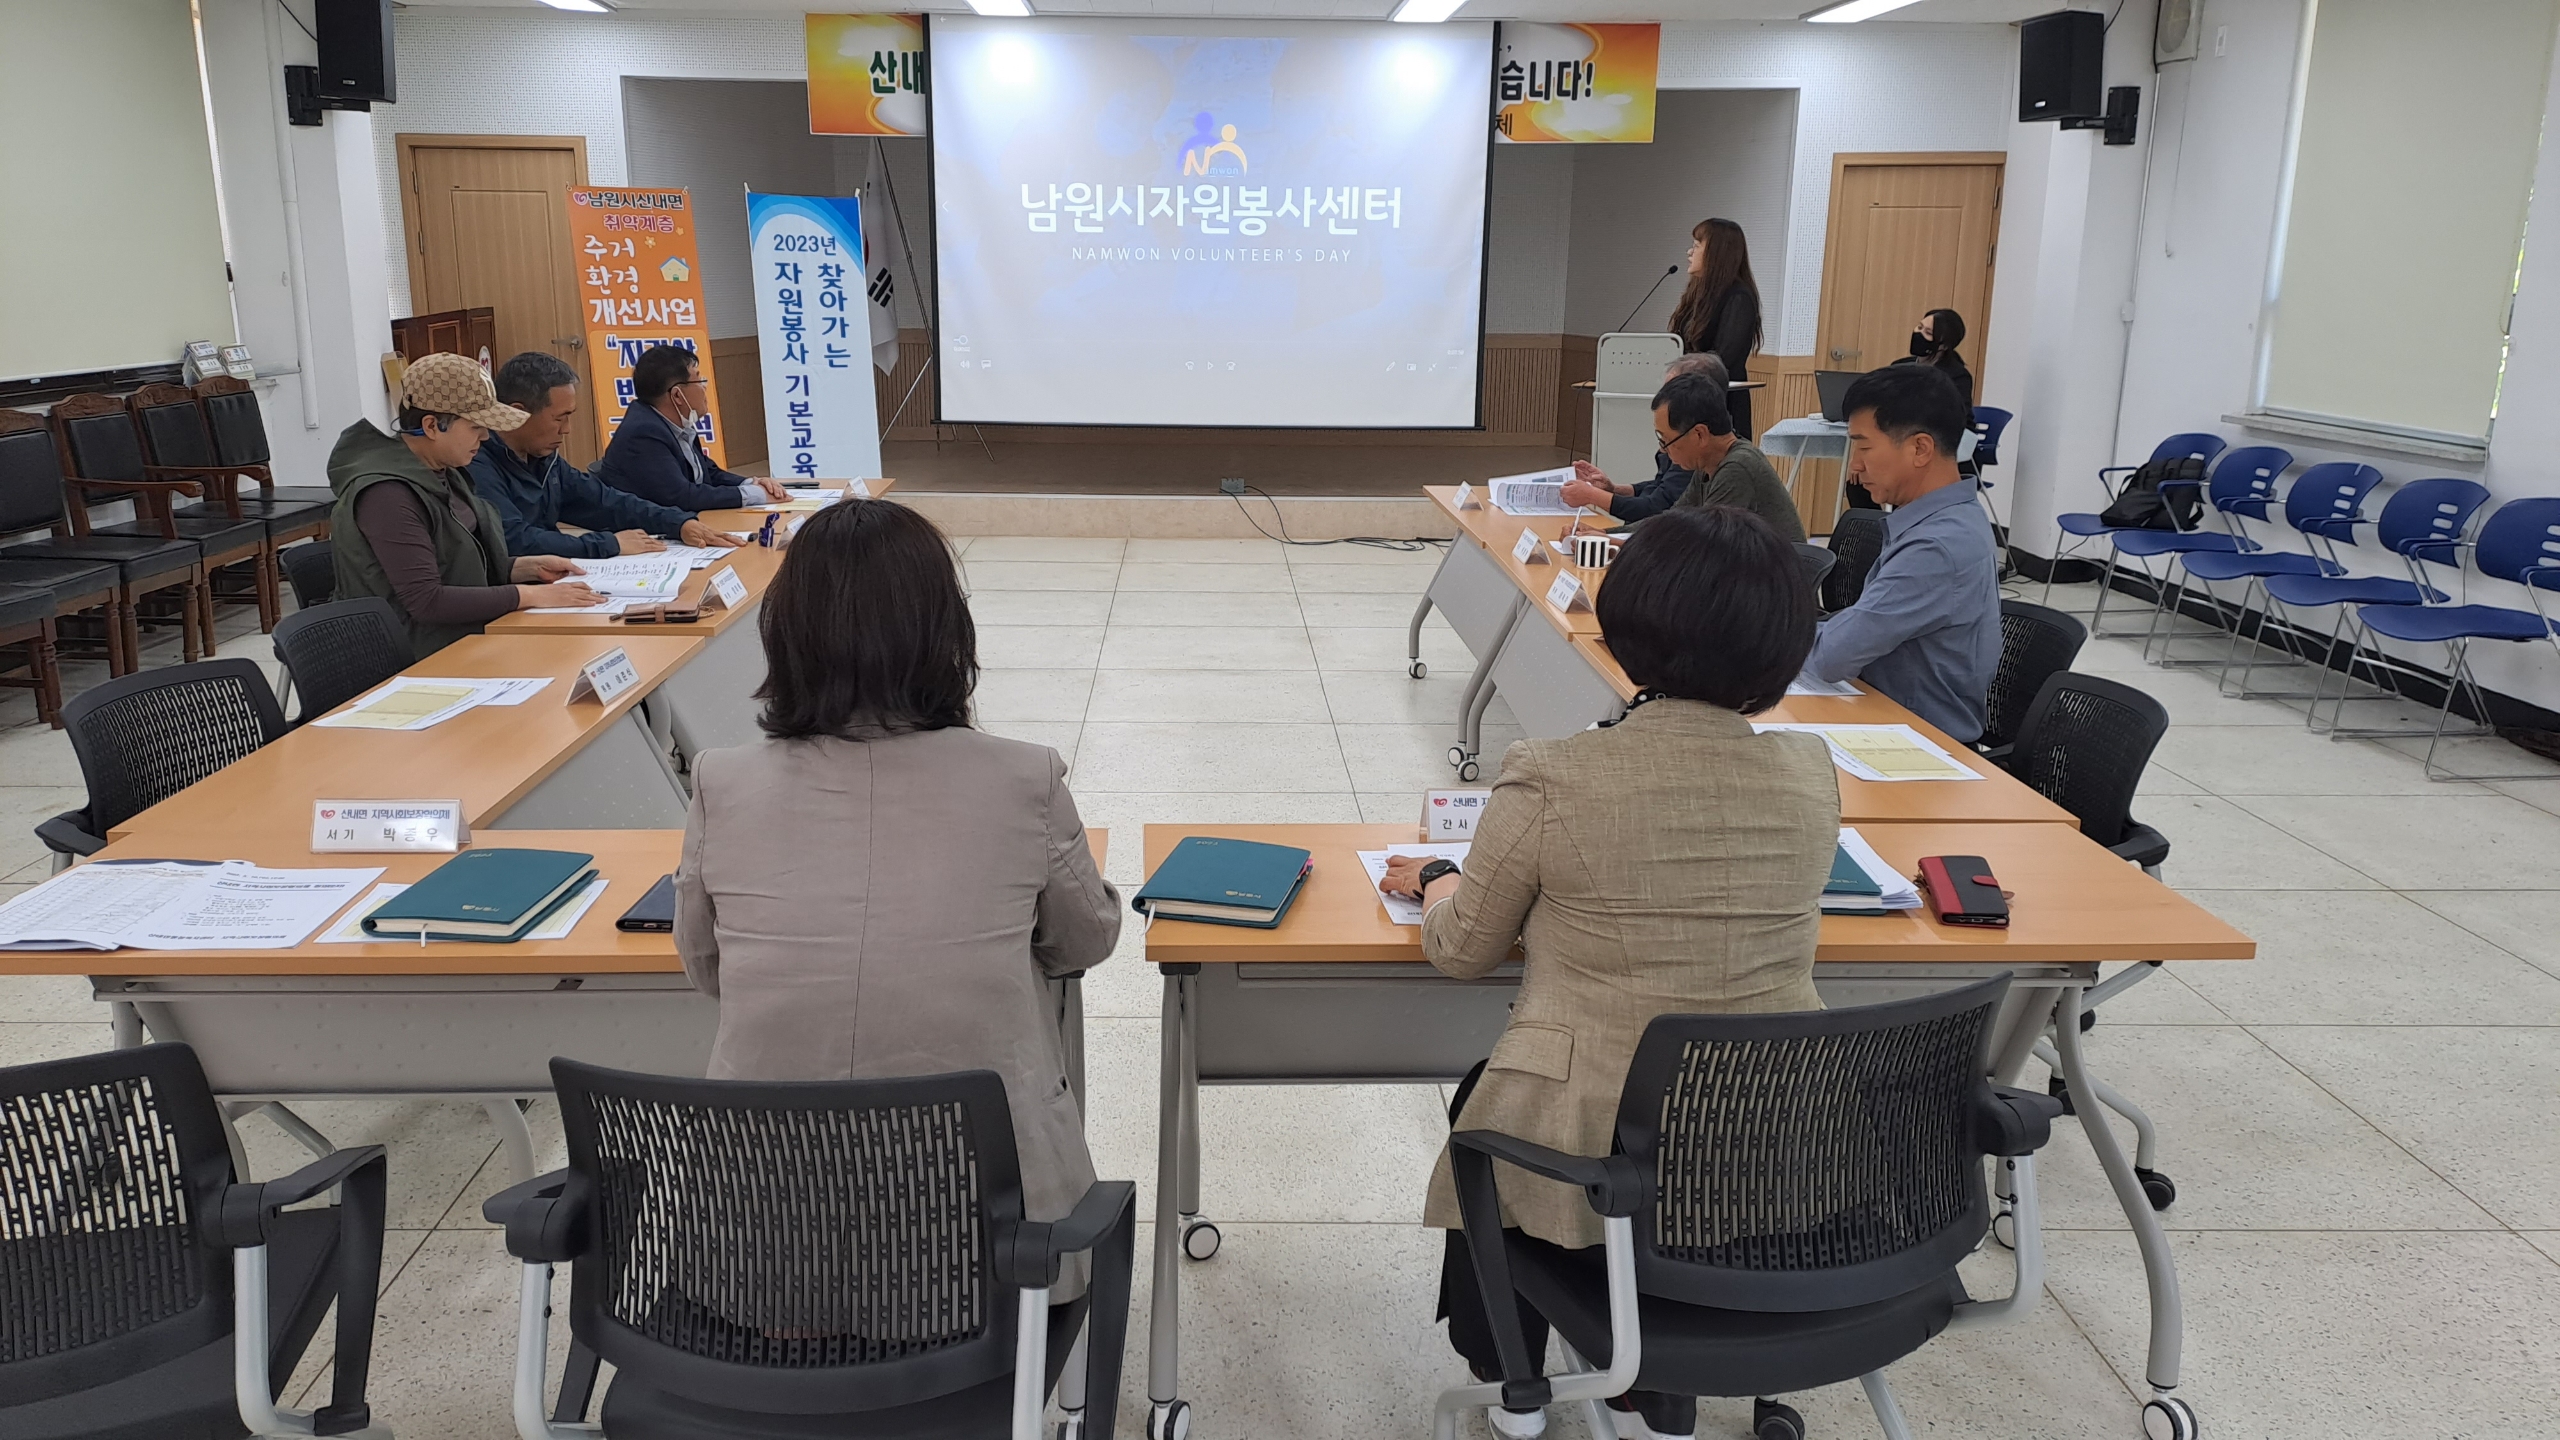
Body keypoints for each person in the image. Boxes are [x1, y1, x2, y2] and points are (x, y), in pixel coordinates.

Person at [1377, 505, 1838, 1440]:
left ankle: (1508, 1370)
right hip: (1771, 1143)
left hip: (1600, 1148)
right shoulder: (1810, 771)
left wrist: (1436, 878)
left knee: (1489, 1105)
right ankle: (1649, 1376)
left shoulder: (1553, 774)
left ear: (1625, 627)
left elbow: (1463, 949)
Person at [673, 497, 1121, 1291]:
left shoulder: (722, 782)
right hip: (990, 1274)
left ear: (786, 634)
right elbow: (1085, 941)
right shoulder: (1023, 777)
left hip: (764, 1272)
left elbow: (708, 970)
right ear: (946, 632)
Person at [326, 353, 603, 660]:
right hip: (411, 659)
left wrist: (523, 568)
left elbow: (454, 566)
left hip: (458, 639)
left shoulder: (445, 472)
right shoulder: (387, 496)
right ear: (432, 426)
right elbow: (427, 601)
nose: (485, 437)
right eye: (475, 427)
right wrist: (531, 594)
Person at [1802, 364, 2000, 743]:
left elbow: (1832, 657)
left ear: (1920, 449)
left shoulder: (1936, 547)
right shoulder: (1944, 518)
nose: (1855, 465)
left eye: (1864, 447)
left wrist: (1768, 639)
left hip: (1919, 741)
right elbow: (1857, 626)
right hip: (1885, 711)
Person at [472, 351, 748, 560]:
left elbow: (606, 502)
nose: (566, 430)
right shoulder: (478, 465)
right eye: (559, 418)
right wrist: (610, 544)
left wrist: (678, 523)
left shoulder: (546, 460)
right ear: (517, 413)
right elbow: (515, 540)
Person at [1562, 372, 1803, 542]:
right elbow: (1672, 520)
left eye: (1666, 440)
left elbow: (1703, 544)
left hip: (1772, 587)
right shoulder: (1708, 465)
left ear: (1699, 434)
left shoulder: (1737, 468)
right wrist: (1605, 534)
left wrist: (1613, 543)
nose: (1663, 450)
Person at [592, 344, 793, 513]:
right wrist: (754, 495)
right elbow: (681, 497)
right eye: (699, 380)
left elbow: (709, 473)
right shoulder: (643, 433)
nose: (704, 387)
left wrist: (751, 483)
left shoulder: (676, 423)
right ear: (677, 395)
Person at [1555, 353, 1727, 523]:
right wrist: (1613, 490)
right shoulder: (1687, 447)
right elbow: (1660, 491)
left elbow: (1655, 511)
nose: (1662, 400)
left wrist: (1593, 496)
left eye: (1671, 394)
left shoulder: (1699, 454)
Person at [1664, 218, 1762, 438]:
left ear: (1716, 253)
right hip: (1687, 397)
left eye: (1697, 245)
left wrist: (1682, 371)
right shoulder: (1697, 294)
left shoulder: (1738, 297)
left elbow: (1721, 360)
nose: (1689, 252)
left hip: (1720, 404)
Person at [1897, 307, 1974, 406]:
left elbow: (1961, 413)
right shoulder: (1899, 366)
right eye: (1920, 327)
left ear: (1944, 346)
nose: (1919, 333)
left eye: (1928, 333)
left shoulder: (1958, 377)